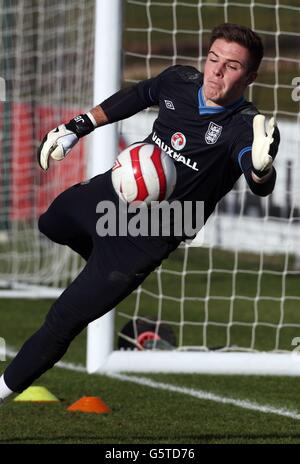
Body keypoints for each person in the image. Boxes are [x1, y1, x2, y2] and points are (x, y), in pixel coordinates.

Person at [0, 23, 280, 402]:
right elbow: (138, 95)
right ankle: (98, 268)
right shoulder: (180, 80)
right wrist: (76, 127)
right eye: (213, 58)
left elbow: (257, 176)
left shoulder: (246, 127)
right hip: (111, 195)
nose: (216, 71)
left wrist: (262, 169)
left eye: (231, 66)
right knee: (50, 221)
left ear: (250, 76)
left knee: (63, 320)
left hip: (144, 239)